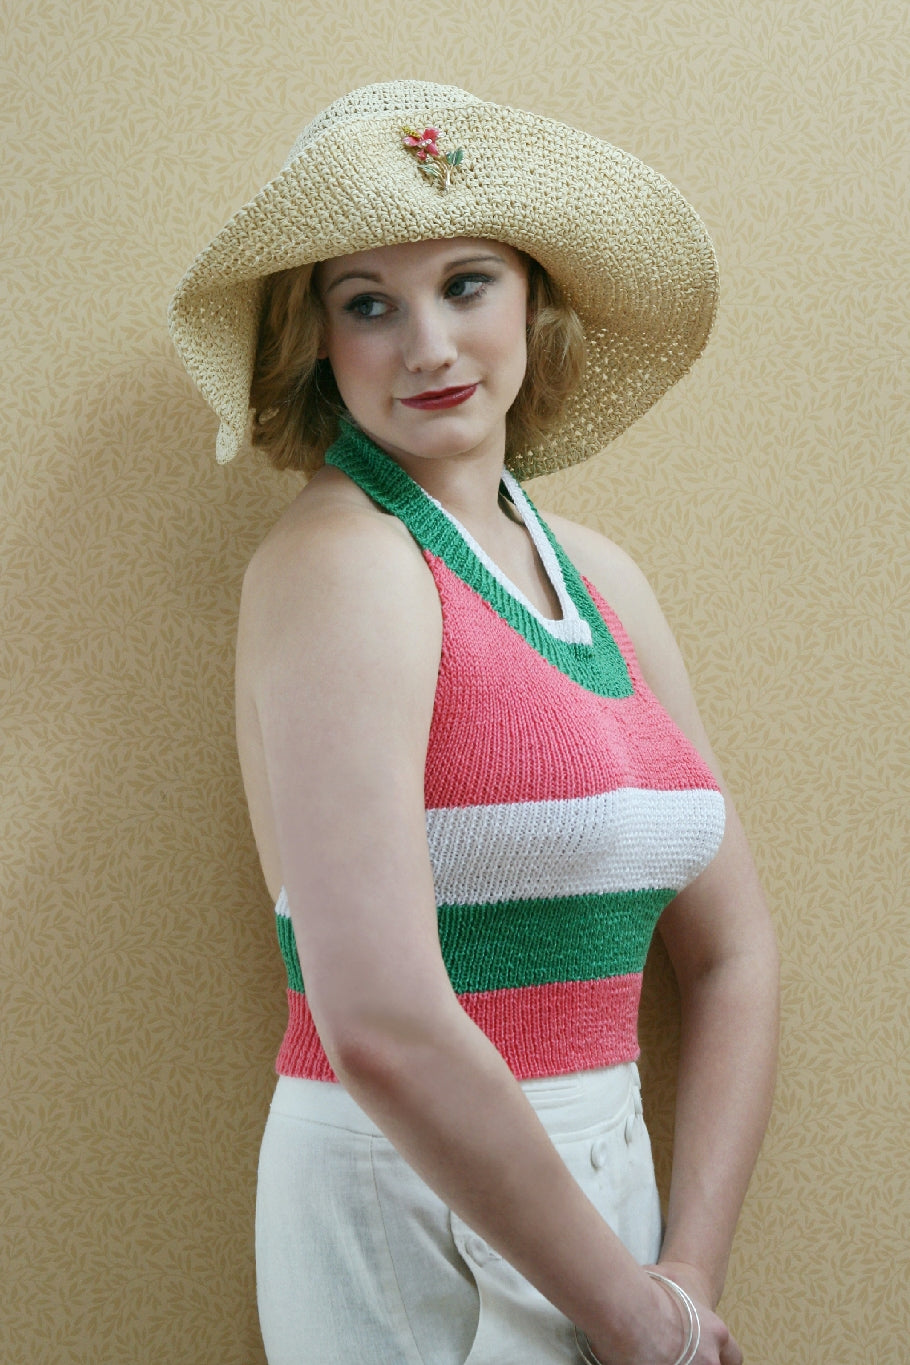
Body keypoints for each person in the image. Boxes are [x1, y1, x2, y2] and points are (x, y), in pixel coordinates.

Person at [168, 81, 779, 1365]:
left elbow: (731, 957)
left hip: (611, 1205)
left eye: (466, 283)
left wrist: (682, 1274)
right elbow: (378, 1019)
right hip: (414, 1204)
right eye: (368, 303)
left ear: (532, 301)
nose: (430, 347)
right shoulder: (342, 566)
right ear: (315, 340)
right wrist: (629, 1313)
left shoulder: (598, 579)